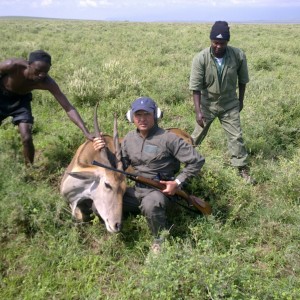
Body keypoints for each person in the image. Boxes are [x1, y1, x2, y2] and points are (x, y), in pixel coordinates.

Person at [93, 96, 205, 253]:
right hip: (137, 191)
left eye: (147, 114)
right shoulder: (129, 139)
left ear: (155, 115)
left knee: (151, 203)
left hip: (161, 192)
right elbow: (120, 166)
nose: (142, 119)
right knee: (100, 202)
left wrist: (177, 183)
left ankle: (160, 239)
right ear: (131, 117)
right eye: (138, 115)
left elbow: (197, 160)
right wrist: (102, 149)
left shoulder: (168, 139)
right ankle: (142, 215)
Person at [0, 50, 93, 166]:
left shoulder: (47, 82)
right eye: (38, 71)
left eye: (45, 72)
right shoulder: (12, 65)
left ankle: (29, 169)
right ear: (29, 64)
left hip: (21, 102)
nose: (41, 75)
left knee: (27, 137)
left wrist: (86, 132)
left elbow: (68, 108)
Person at [189, 21, 255, 184]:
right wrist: (198, 111)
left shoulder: (238, 55)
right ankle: (180, 162)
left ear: (227, 42)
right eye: (215, 42)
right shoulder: (201, 58)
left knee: (236, 136)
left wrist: (240, 101)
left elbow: (243, 81)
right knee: (195, 136)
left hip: (229, 103)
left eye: (222, 43)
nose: (218, 46)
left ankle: (241, 169)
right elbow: (195, 88)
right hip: (207, 104)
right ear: (211, 41)